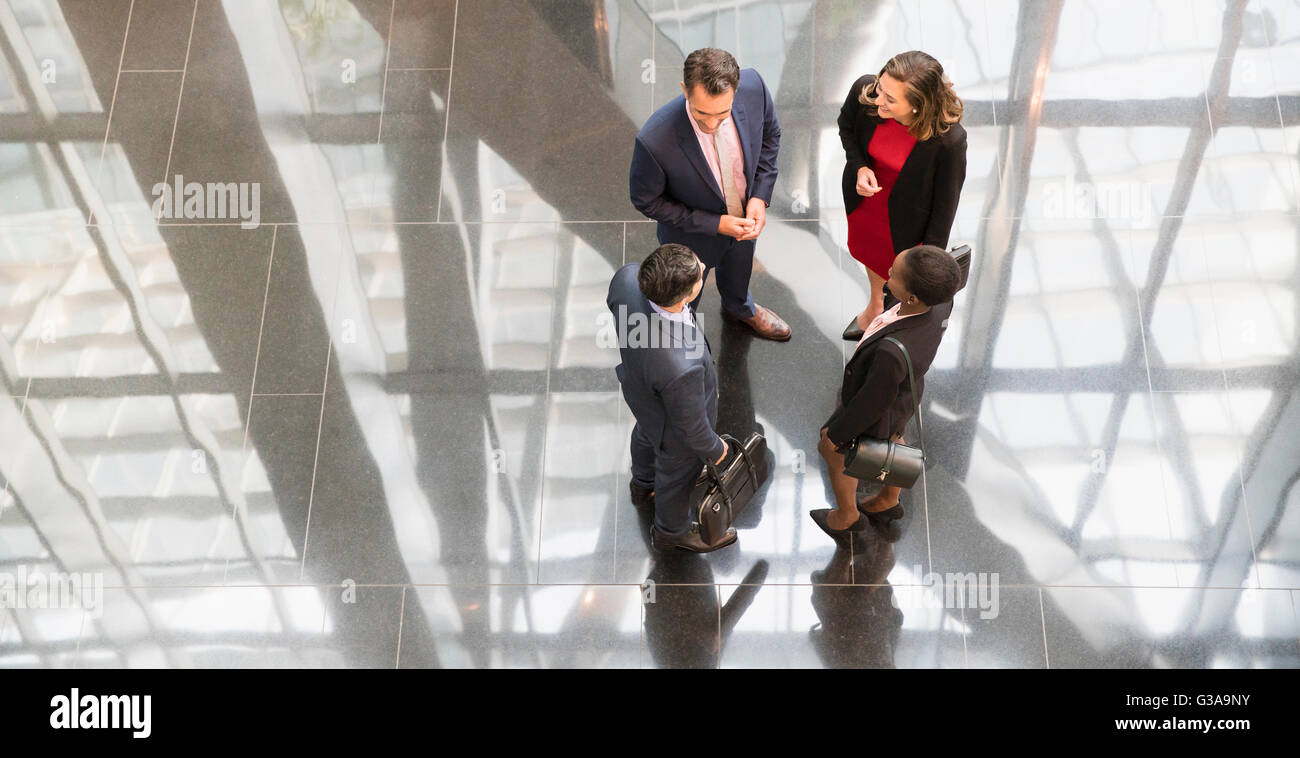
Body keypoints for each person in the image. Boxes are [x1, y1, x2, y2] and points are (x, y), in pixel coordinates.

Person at [629, 47, 790, 342]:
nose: (712, 124)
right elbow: (646, 200)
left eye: (723, 114)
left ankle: (739, 307)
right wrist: (714, 224)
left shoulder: (755, 88)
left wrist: (759, 197)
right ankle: (683, 337)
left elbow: (771, 136)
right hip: (691, 237)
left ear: (737, 91)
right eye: (702, 113)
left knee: (739, 270)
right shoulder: (654, 140)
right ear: (684, 89)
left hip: (744, 219)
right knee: (684, 305)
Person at [812, 245, 962, 544]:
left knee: (834, 453)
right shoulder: (940, 304)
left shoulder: (890, 352)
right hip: (906, 395)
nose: (888, 273)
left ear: (911, 297)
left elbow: (872, 402)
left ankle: (846, 517)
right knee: (892, 439)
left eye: (894, 274)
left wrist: (837, 435)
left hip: (880, 400)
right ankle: (888, 500)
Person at [608, 243, 737, 552]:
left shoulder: (626, 279)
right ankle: (670, 531)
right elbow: (692, 428)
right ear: (685, 296)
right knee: (677, 474)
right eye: (697, 273)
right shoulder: (681, 366)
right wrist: (715, 448)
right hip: (674, 426)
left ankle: (642, 482)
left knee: (645, 432)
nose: (703, 267)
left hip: (640, 391)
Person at [838, 51, 966, 341]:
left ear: (919, 106)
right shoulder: (867, 92)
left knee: (902, 274)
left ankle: (893, 319)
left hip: (909, 221)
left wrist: (927, 263)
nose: (878, 99)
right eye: (881, 88)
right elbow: (846, 127)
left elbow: (945, 207)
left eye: (890, 99)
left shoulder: (949, 140)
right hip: (866, 205)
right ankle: (875, 306)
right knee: (872, 256)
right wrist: (860, 168)